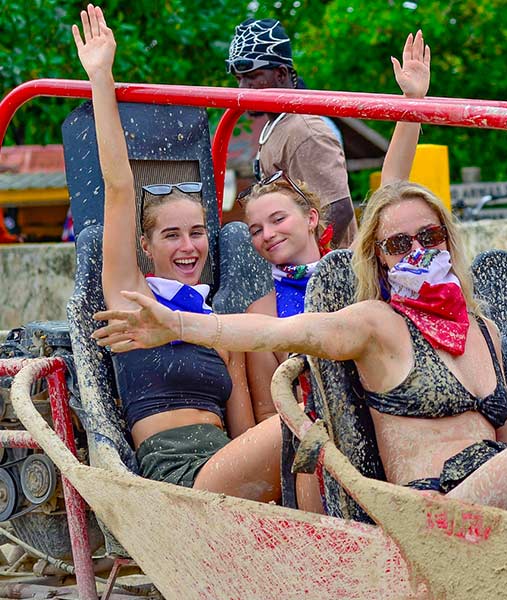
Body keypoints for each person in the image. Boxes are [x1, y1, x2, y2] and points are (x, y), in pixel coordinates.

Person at [93, 161, 507, 539]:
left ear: (449, 237)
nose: (418, 251)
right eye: (399, 244)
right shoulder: (375, 323)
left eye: (430, 236)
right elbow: (275, 334)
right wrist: (177, 324)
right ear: (379, 259)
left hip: (496, 493)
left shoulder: (484, 331)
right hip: (430, 512)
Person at [72, 4, 284, 502]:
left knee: (302, 426)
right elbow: (120, 187)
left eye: (196, 232)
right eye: (171, 235)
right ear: (145, 247)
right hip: (178, 481)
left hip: (230, 475)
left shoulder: (215, 325)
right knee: (305, 423)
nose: (188, 247)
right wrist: (101, 77)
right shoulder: (132, 300)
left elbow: (247, 431)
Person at [239, 30, 432, 425]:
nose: (268, 234)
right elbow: (266, 412)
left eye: (278, 219)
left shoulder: (354, 278)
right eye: (255, 229)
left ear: (311, 217)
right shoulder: (262, 309)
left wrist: (412, 103)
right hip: (311, 430)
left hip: (377, 406)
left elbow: (386, 189)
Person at [226, 18, 357, 248]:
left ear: (281, 73)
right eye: (239, 79)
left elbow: (339, 209)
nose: (243, 88)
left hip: (324, 276)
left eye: (252, 77)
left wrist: (308, 269)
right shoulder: (278, 125)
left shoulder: (305, 130)